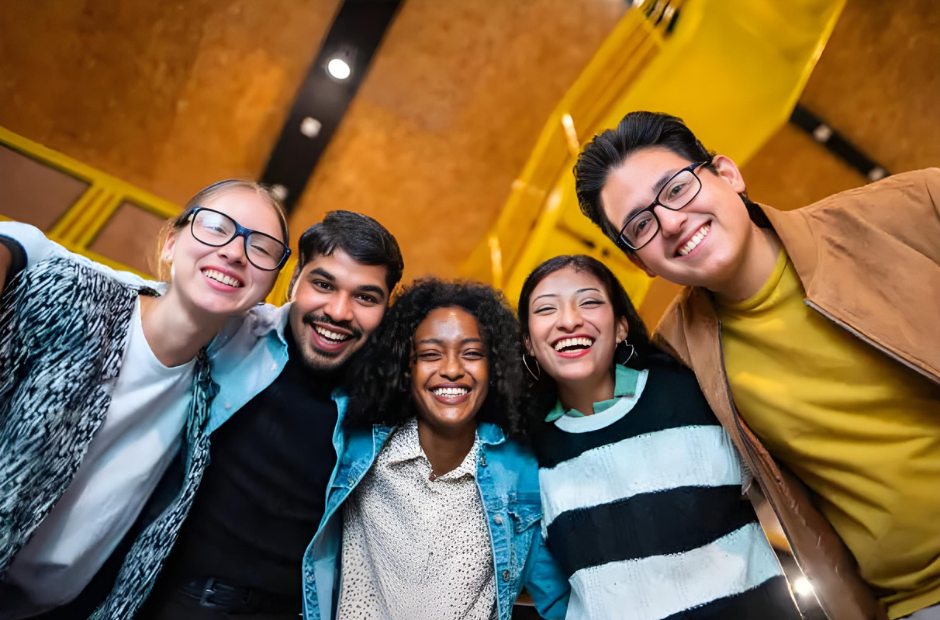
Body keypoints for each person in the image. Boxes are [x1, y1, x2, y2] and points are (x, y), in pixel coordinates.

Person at [573, 111, 940, 620]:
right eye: (641, 225)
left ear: (727, 174)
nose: (671, 222)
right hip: (916, 600)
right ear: (641, 263)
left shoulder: (910, 211)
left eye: (677, 189)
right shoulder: (676, 362)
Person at [0, 180, 291, 619]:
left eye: (262, 248)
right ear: (172, 243)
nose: (234, 251)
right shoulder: (74, 300)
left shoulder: (214, 394)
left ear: (268, 284)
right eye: (216, 228)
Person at [137, 209, 405, 620]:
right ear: (295, 280)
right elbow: (142, 301)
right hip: (169, 596)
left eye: (365, 297)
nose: (338, 311)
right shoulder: (231, 331)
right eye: (323, 284)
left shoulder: (386, 405)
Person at [518, 254, 798, 620]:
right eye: (546, 309)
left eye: (589, 301)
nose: (569, 320)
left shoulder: (694, 391)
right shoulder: (526, 455)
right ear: (527, 342)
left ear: (621, 327)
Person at [327, 279, 570, 620]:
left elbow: (562, 600)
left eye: (472, 354)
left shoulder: (519, 474)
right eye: (429, 354)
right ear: (406, 367)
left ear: (495, 368)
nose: (453, 370)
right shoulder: (357, 449)